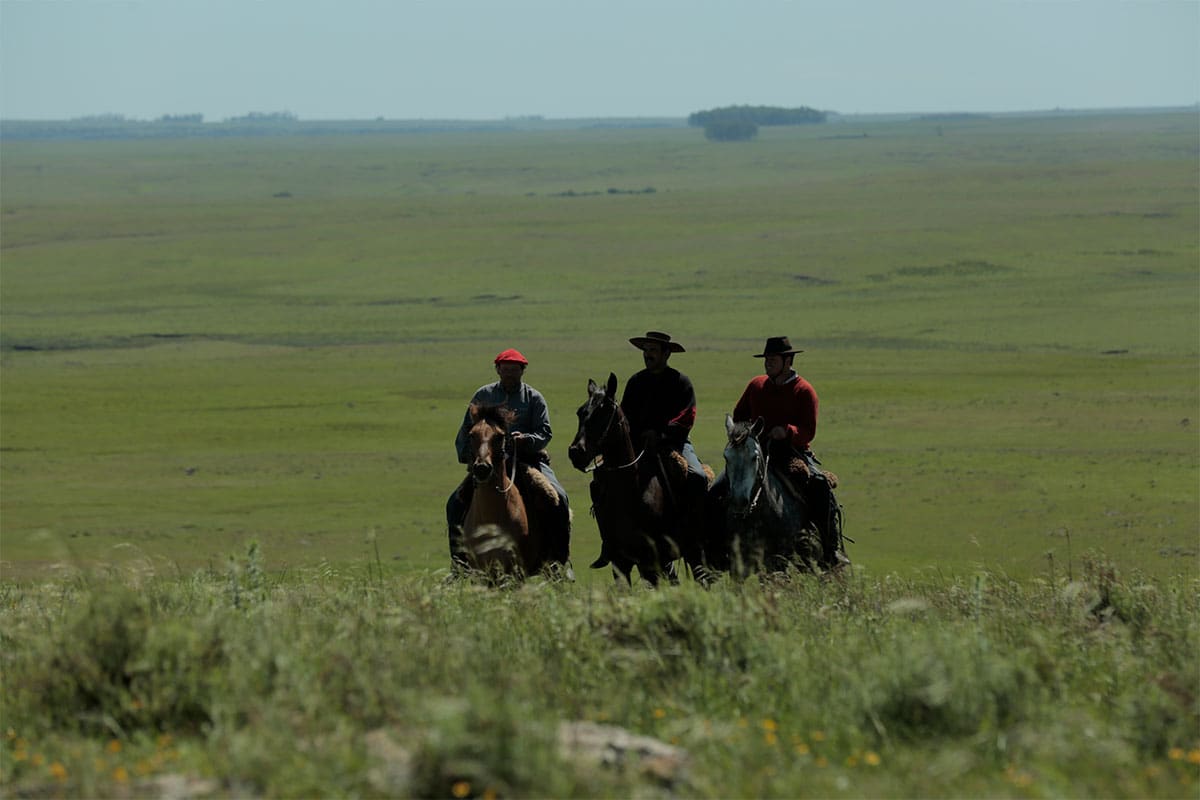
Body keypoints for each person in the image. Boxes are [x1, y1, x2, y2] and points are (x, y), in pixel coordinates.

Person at [445, 348, 571, 574]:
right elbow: (467, 430)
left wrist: (526, 440)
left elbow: (545, 432)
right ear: (498, 369)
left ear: (522, 371)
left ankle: (558, 562)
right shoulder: (483, 395)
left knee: (559, 498)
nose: (510, 373)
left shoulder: (533, 398)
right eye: (506, 369)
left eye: (515, 369)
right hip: (489, 463)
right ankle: (460, 562)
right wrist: (467, 455)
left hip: (528, 460)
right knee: (454, 503)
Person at [726, 335, 845, 568]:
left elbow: (808, 430)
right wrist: (746, 433)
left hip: (791, 453)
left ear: (787, 361)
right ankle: (716, 547)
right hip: (756, 449)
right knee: (721, 486)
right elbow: (739, 414)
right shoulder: (756, 385)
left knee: (820, 485)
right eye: (766, 359)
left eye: (773, 359)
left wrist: (788, 432)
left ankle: (830, 549)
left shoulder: (804, 390)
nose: (768, 363)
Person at [619, 331, 709, 562]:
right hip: (639, 447)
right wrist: (638, 435)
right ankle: (612, 541)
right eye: (646, 350)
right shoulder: (635, 382)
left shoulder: (680, 382)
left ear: (666, 354)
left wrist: (661, 434)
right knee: (605, 478)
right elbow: (624, 416)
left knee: (697, 477)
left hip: (674, 444)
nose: (648, 355)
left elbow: (687, 416)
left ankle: (697, 540)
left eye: (653, 351)